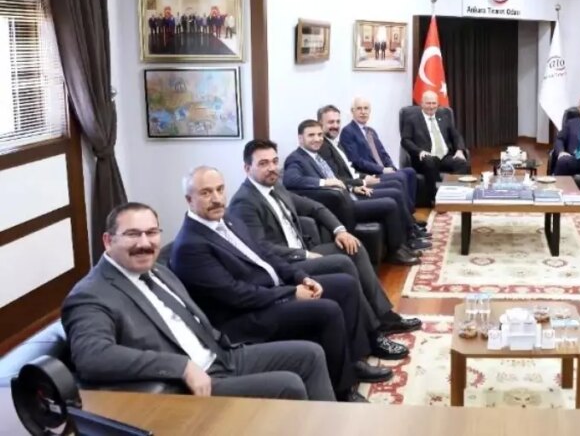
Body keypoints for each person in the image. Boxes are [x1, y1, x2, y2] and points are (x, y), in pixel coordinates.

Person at [62, 202, 337, 401]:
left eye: (152, 232)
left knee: (310, 354)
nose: (145, 243)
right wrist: (180, 367)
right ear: (108, 241)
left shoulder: (158, 270)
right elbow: (92, 356)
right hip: (191, 384)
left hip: (222, 356)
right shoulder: (90, 294)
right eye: (133, 234)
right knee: (288, 385)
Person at [169, 168, 388, 402]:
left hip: (270, 293)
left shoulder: (228, 219)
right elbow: (236, 295)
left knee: (344, 285)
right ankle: (342, 392)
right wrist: (291, 294)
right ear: (189, 199)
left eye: (220, 189)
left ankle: (353, 362)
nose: (216, 198)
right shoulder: (190, 246)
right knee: (327, 310)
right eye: (206, 193)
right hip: (244, 316)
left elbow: (265, 254)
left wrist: (300, 277)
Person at [224, 148, 421, 338]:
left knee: (354, 246)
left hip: (304, 251)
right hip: (287, 265)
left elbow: (315, 207)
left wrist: (340, 231)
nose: (272, 168)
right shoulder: (245, 202)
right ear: (247, 168)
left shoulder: (275, 187)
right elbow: (261, 248)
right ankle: (372, 331)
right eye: (263, 163)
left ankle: (384, 315)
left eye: (275, 162)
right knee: (342, 263)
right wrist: (305, 255)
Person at [283, 122, 425, 263]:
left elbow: (336, 179)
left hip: (347, 195)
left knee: (393, 195)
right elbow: (291, 180)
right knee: (389, 204)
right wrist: (324, 182)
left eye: (320, 135)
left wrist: (352, 187)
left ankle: (403, 245)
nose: (317, 139)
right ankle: (396, 252)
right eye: (311, 135)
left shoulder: (315, 156)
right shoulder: (296, 158)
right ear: (300, 138)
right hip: (340, 207)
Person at [337, 99, 420, 214]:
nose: (363, 112)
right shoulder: (348, 131)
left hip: (383, 170)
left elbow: (383, 153)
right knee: (400, 177)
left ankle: (410, 210)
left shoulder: (371, 131)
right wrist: (382, 169)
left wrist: (391, 167)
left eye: (366, 109)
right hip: (369, 173)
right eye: (359, 109)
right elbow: (356, 160)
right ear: (353, 111)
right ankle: (407, 215)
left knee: (410, 172)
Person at [400, 90, 470, 203]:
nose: (431, 106)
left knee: (461, 163)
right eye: (428, 103)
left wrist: (460, 150)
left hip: (445, 156)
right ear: (422, 104)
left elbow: (456, 135)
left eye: (434, 103)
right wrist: (419, 151)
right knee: (430, 162)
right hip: (426, 157)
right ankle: (437, 198)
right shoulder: (411, 119)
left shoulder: (444, 116)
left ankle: (455, 195)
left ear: (438, 104)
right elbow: (405, 140)